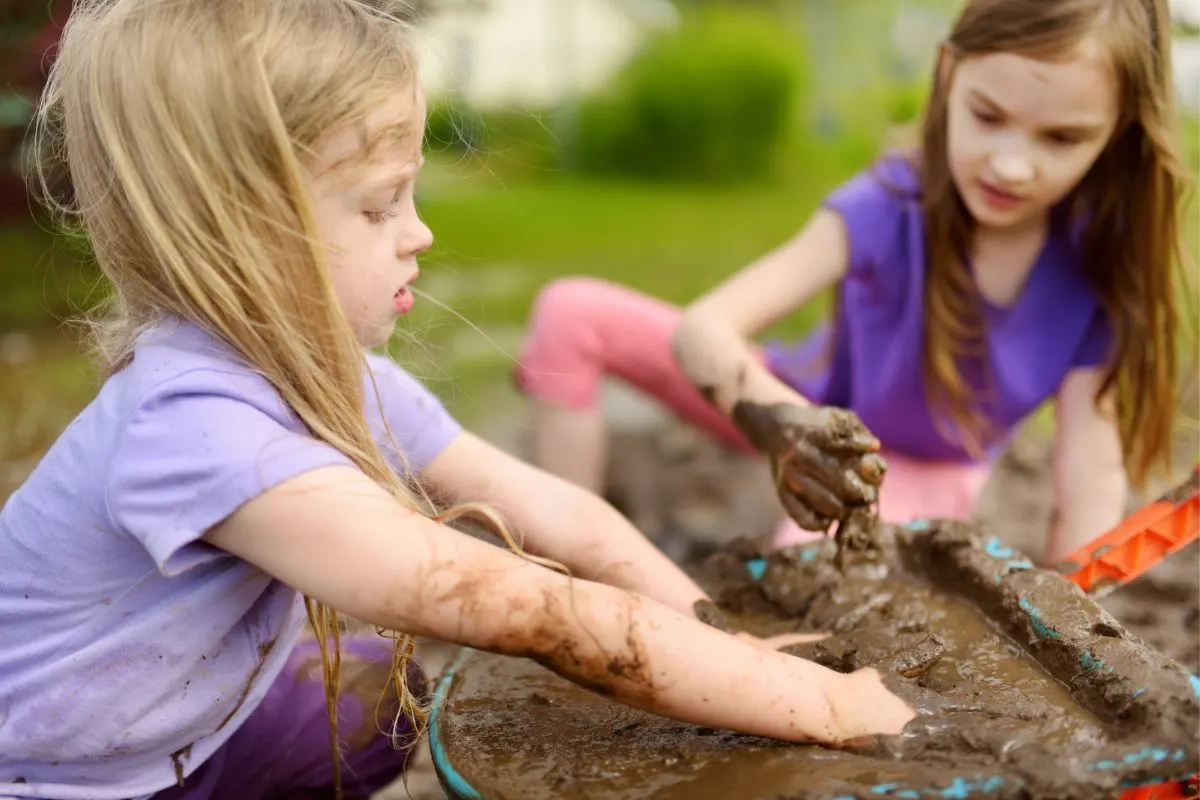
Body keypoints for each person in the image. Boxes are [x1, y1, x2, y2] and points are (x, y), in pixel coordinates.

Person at [0, 2, 917, 799]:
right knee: (408, 689)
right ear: (236, 234)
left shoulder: (323, 374)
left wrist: (730, 644)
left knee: (395, 706)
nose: (420, 233)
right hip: (65, 781)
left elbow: (562, 515)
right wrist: (830, 706)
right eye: (379, 206)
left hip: (185, 733)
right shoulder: (195, 430)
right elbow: (526, 609)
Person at [515, 0, 1190, 567]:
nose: (1011, 166)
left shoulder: (1095, 279)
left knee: (808, 570)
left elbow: (1089, 474)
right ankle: (569, 560)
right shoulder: (887, 204)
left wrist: (1076, 595)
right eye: (988, 117)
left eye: (1061, 138)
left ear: (1118, 134)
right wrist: (786, 428)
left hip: (910, 464)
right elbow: (705, 329)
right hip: (794, 400)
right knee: (570, 313)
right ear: (950, 74)